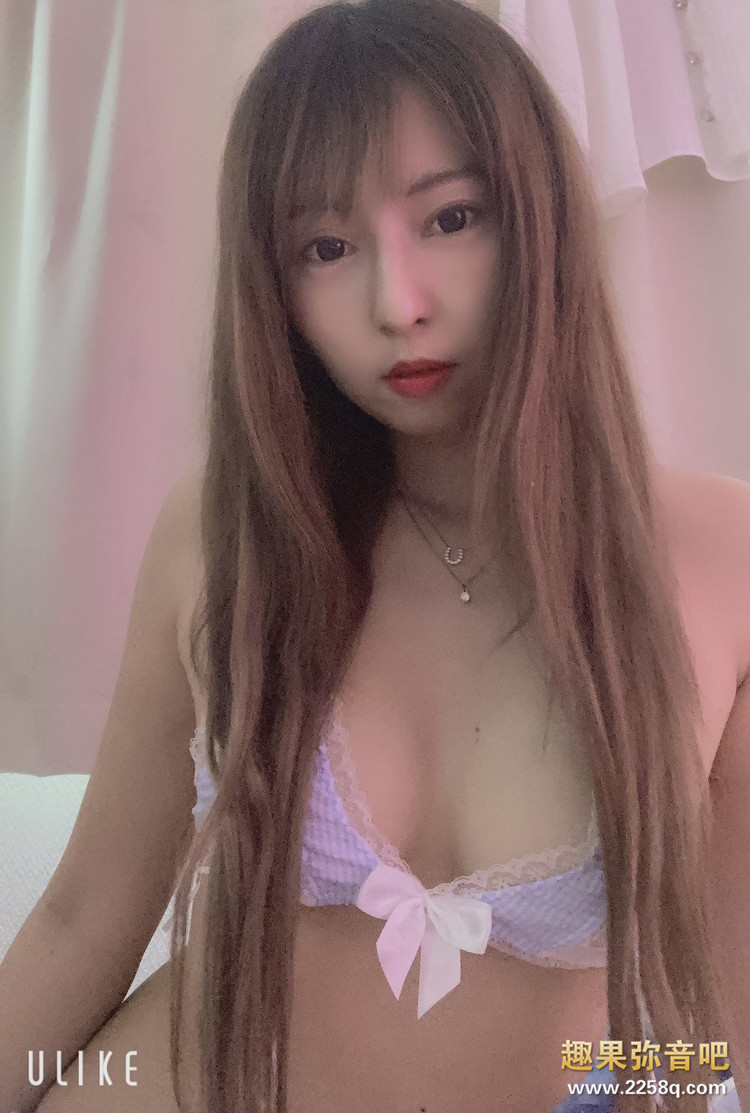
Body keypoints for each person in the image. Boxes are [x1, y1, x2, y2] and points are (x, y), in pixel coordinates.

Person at [1, 1, 748, 1111]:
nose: (398, 304)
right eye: (327, 248)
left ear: (537, 216)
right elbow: (81, 921)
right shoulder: (224, 537)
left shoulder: (720, 559)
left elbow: (714, 1033)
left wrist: (622, 1093)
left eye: (450, 219)